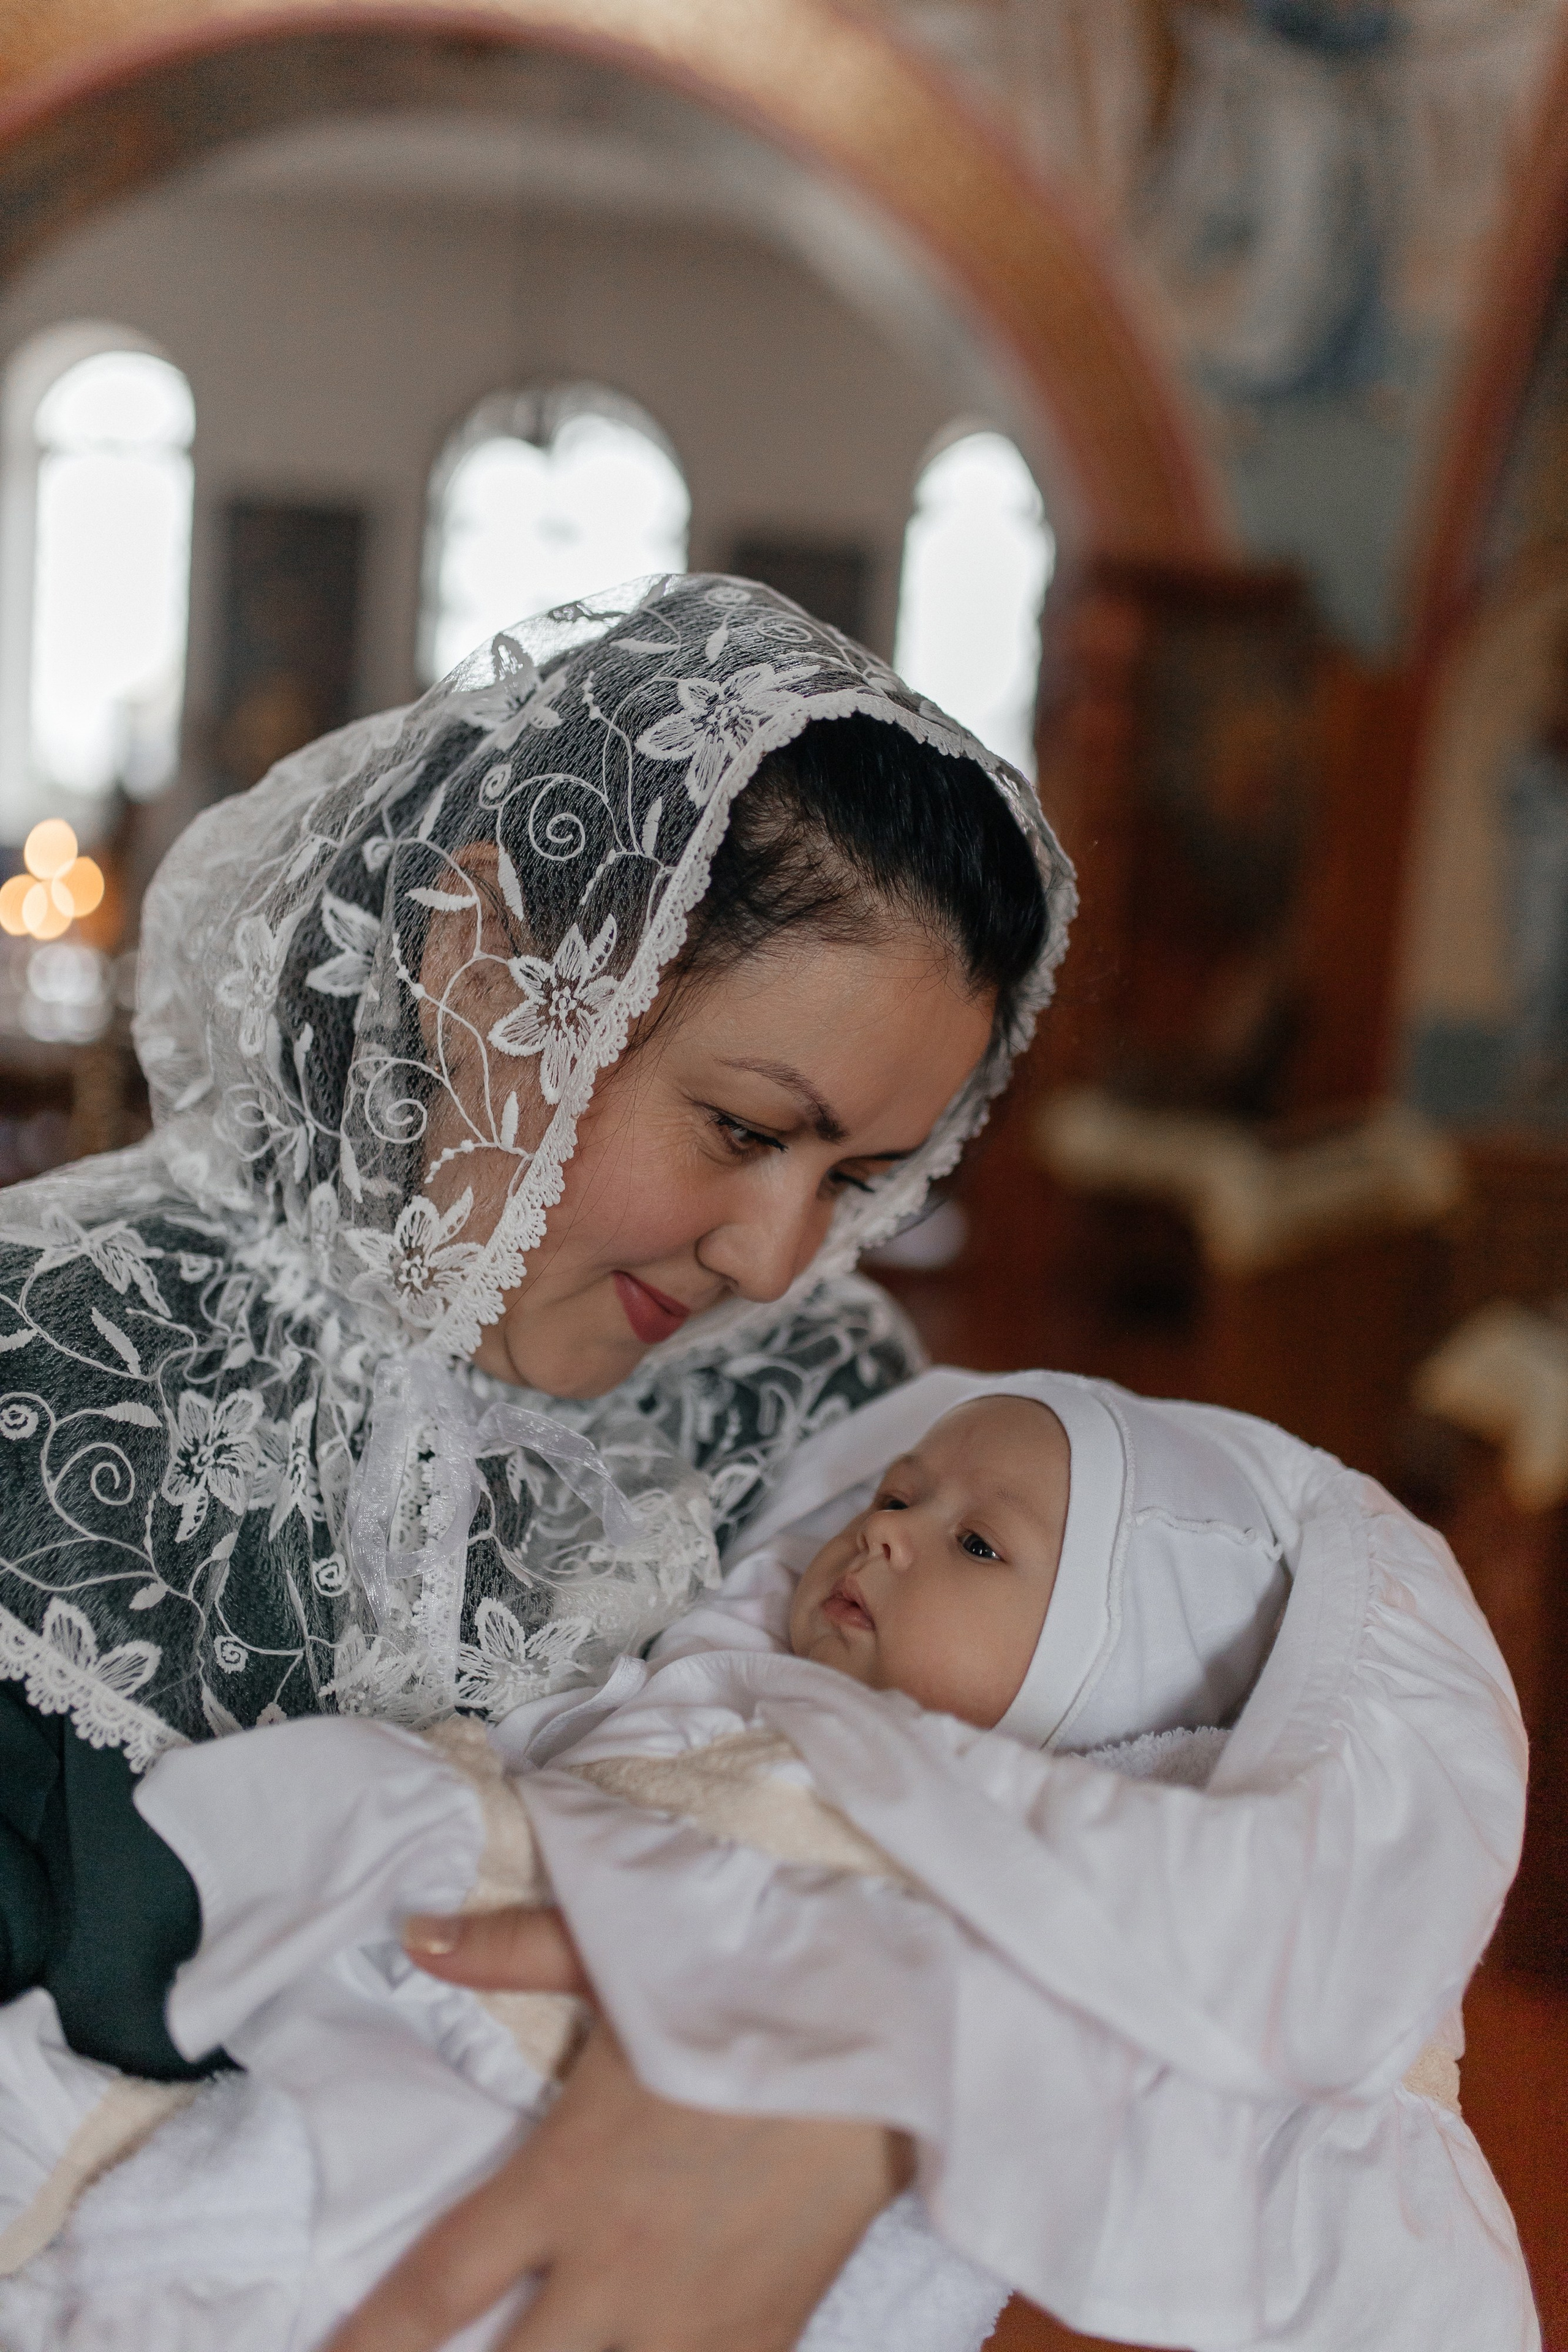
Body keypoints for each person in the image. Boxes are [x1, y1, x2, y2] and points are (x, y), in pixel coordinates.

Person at [0, 1368, 1530, 2351]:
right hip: (424, 2070)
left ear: (1104, 1676)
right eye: (894, 1496)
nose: (884, 1541)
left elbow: (1333, 2090)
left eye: (978, 1547)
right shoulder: (717, 1696)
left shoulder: (1055, 1857)